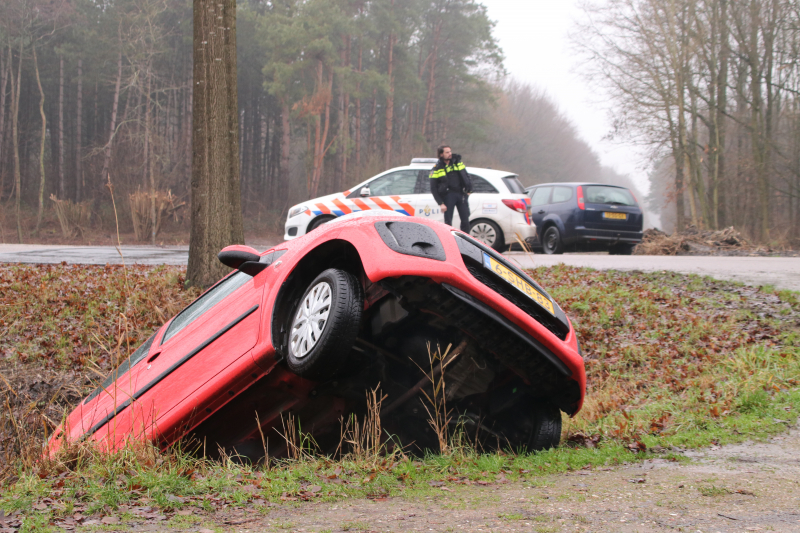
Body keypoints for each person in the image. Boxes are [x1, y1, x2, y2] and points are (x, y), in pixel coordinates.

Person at [430, 145, 472, 232]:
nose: (450, 154)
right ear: (441, 154)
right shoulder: (437, 168)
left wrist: (469, 189)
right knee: (448, 221)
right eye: (447, 152)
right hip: (448, 195)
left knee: (465, 220)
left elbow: (466, 176)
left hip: (461, 194)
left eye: (450, 152)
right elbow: (433, 187)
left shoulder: (458, 163)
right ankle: (449, 240)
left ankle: (466, 241)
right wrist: (440, 203)